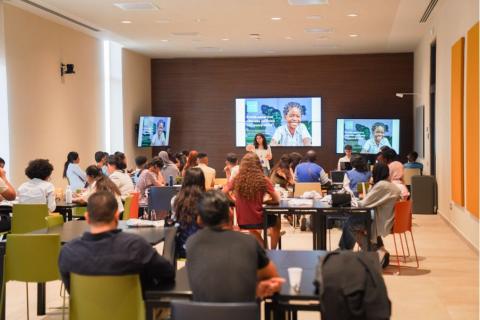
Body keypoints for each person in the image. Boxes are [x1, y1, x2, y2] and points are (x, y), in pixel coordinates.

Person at [59, 191, 175, 292]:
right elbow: (167, 272)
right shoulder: (136, 246)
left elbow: (71, 290)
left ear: (87, 217)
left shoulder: (68, 252)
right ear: (116, 215)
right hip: (134, 313)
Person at [186, 190, 284, 302]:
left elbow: (212, 288)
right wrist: (254, 290)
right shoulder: (248, 243)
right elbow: (274, 279)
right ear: (230, 213)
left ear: (199, 219)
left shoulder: (192, 243)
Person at [339, 164, 401, 267]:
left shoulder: (381, 185)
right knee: (353, 221)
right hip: (389, 219)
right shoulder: (390, 185)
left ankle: (375, 253)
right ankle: (379, 249)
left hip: (382, 221)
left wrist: (351, 201)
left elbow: (364, 203)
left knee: (350, 224)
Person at [223, 152, 281, 249]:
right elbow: (277, 199)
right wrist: (266, 202)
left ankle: (264, 248)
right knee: (277, 222)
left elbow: (224, 192)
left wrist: (234, 201)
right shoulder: (263, 179)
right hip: (258, 218)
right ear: (258, 164)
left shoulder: (237, 178)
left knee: (252, 228)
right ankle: (273, 250)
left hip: (242, 220)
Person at [172, 167, 206, 258]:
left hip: (182, 248)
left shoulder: (176, 200)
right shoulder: (207, 200)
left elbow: (174, 221)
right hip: (204, 248)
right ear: (202, 181)